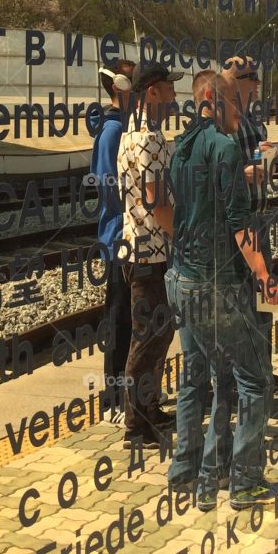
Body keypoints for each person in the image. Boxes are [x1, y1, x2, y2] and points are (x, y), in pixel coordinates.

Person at [166, 69, 278, 511]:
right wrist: (263, 274)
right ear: (214, 100)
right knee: (252, 380)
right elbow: (239, 224)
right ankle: (245, 482)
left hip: (180, 281)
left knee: (199, 376)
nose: (242, 112)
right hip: (216, 284)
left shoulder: (180, 148)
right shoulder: (223, 148)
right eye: (236, 102)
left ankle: (191, 472)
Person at [117, 61, 182, 447]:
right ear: (152, 92)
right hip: (151, 251)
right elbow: (157, 202)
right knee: (148, 338)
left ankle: (148, 407)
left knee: (154, 334)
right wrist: (183, 236)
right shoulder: (150, 141)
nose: (175, 96)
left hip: (137, 246)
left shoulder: (130, 134)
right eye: (169, 89)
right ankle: (137, 425)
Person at [220, 54, 278, 393]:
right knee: (241, 305)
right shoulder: (223, 123)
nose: (258, 86)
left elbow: (260, 173)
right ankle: (241, 378)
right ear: (238, 83)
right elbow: (220, 173)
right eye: (252, 80)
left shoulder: (254, 124)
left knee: (263, 300)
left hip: (256, 219)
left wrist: (266, 159)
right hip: (239, 223)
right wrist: (243, 173)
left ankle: (262, 370)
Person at [89, 59, 136, 419]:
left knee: (135, 317)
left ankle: (130, 393)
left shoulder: (125, 127)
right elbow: (110, 188)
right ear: (121, 88)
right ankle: (113, 398)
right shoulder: (111, 133)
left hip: (131, 234)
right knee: (120, 317)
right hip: (120, 236)